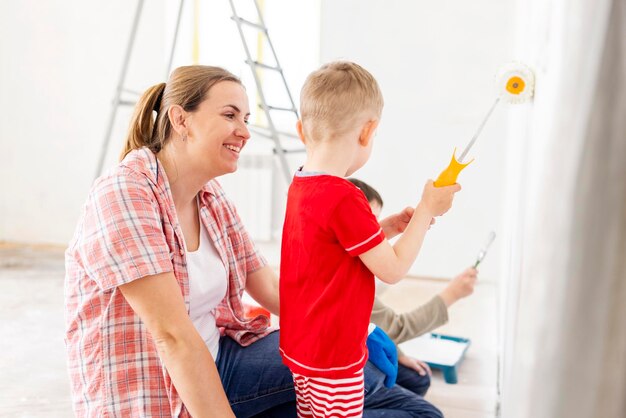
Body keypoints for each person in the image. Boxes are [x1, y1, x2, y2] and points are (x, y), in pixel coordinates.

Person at [63, 65, 445, 418]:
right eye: (230, 115)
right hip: (163, 386)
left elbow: (274, 286)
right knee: (393, 394)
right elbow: (173, 339)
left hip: (222, 355)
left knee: (380, 367)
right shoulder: (124, 194)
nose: (245, 131)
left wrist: (370, 337)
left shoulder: (210, 196)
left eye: (246, 119)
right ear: (181, 120)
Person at [279, 61, 461, 418]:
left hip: (301, 349)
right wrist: (425, 211)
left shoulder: (301, 184)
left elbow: (331, 247)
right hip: (335, 358)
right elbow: (392, 270)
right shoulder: (345, 196)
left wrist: (388, 228)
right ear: (368, 131)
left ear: (302, 131)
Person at [348, 178, 478, 397]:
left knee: (414, 378)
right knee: (419, 388)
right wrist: (452, 294)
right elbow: (396, 327)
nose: (374, 229)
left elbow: (380, 326)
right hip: (342, 368)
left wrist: (397, 353)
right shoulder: (351, 279)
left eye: (375, 221)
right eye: (369, 221)